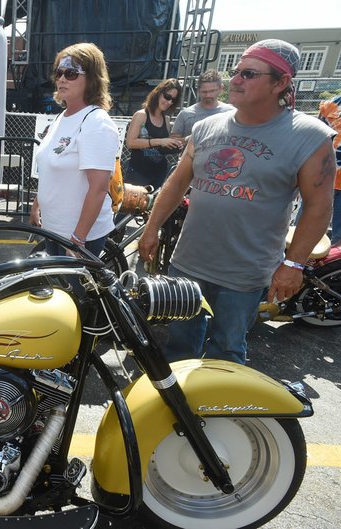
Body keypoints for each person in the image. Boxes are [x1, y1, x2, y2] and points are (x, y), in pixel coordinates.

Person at [138, 39, 336, 365]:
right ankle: (179, 413)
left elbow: (319, 206)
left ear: (281, 83)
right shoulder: (206, 127)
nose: (236, 80)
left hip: (244, 275)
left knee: (226, 355)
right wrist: (152, 227)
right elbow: (176, 184)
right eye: (236, 71)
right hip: (188, 264)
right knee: (178, 351)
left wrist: (294, 264)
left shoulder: (309, 136)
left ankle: (221, 416)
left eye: (249, 73)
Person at [30, 43, 119, 258]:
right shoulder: (62, 117)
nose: (61, 79)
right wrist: (36, 205)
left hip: (78, 237)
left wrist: (78, 240)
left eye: (70, 73)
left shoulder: (96, 122)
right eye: (58, 72)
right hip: (54, 229)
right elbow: (50, 169)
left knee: (73, 291)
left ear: (92, 79)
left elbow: (98, 189)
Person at [124, 78, 183, 190]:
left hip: (159, 174)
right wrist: (160, 141)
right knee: (132, 205)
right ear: (159, 92)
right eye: (167, 97)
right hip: (138, 172)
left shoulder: (166, 119)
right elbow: (130, 143)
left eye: (173, 100)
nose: (169, 102)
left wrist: (174, 145)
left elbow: (160, 148)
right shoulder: (141, 115)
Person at [171, 69, 233, 143]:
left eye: (212, 91)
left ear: (221, 89)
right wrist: (190, 138)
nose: (208, 95)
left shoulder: (230, 113)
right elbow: (172, 141)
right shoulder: (186, 114)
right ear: (198, 91)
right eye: (204, 92)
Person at [318, 94, 341, 245]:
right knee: (308, 217)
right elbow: (317, 136)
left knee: (338, 235)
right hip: (323, 173)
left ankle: (333, 265)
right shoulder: (332, 104)